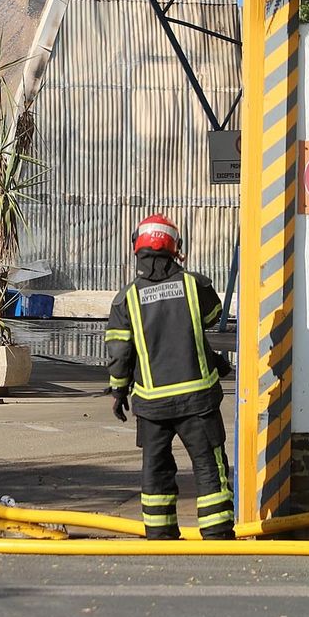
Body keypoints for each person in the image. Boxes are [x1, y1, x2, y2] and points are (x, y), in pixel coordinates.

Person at [105, 214, 235, 540]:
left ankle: (160, 535)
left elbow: (120, 355)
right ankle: (218, 534)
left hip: (152, 406)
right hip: (198, 402)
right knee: (208, 466)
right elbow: (211, 318)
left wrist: (119, 392)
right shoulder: (195, 286)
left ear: (137, 250)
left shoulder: (126, 300)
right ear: (175, 248)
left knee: (156, 469)